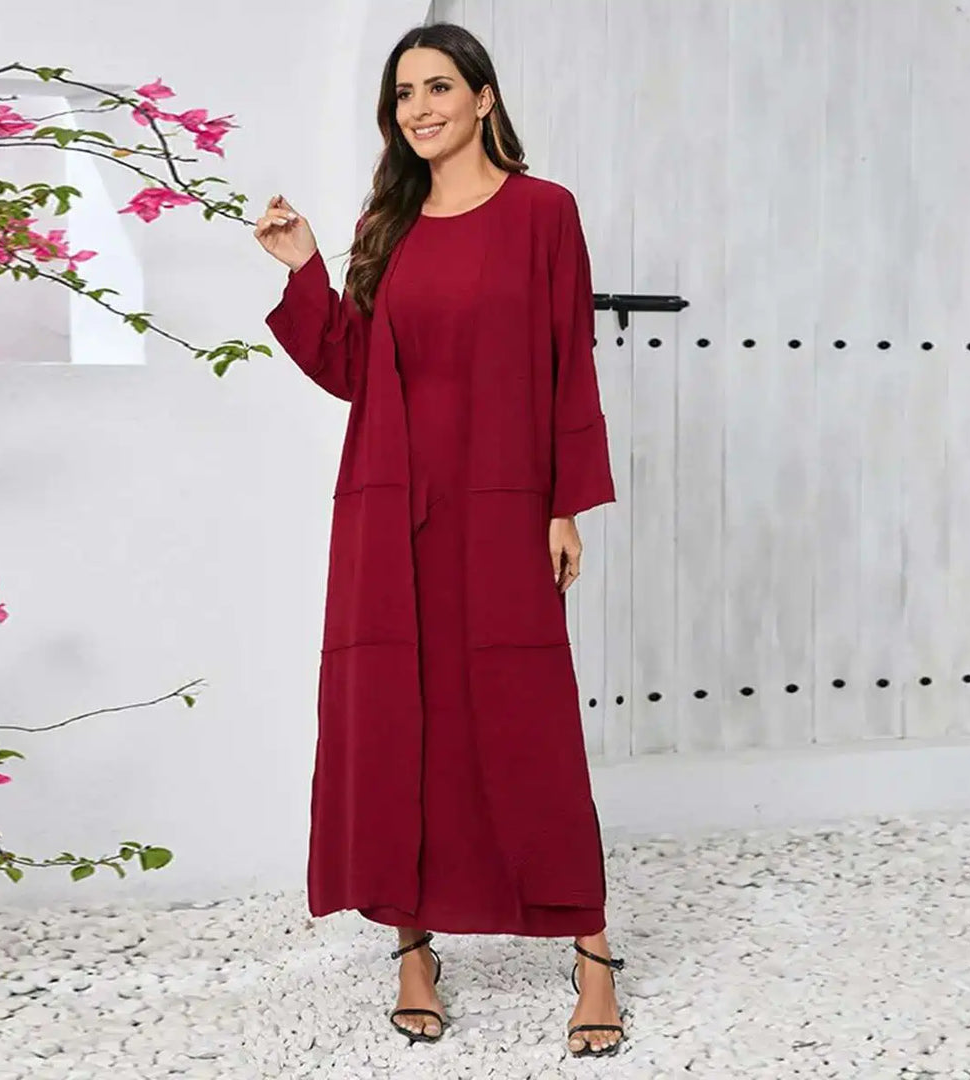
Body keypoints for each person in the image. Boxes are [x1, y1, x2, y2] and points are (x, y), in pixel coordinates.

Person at [254, 21, 626, 1059]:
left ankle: (591, 950)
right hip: (392, 511)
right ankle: (413, 948)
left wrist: (563, 504)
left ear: (484, 97)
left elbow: (568, 358)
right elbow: (353, 370)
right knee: (398, 718)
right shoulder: (387, 222)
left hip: (502, 503)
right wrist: (305, 268)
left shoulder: (544, 213)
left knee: (525, 718)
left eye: (438, 87)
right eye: (403, 93)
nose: (418, 108)